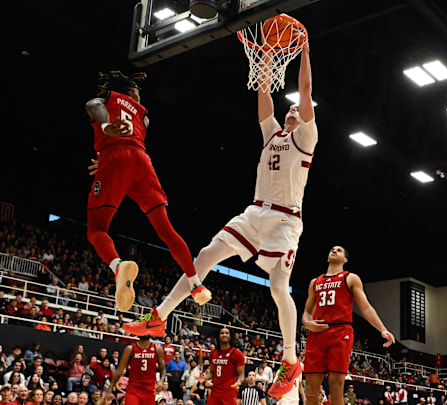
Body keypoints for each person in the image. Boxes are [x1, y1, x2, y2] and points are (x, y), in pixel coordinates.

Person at [123, 28, 316, 400]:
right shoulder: (272, 134)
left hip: (286, 221)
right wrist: (265, 58)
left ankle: (291, 360)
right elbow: (264, 95)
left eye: (297, 109)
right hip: (255, 212)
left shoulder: (306, 137)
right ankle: (159, 316)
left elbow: (305, 92)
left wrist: (304, 50)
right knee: (205, 256)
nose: (292, 108)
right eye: (289, 107)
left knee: (278, 287)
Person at [84, 70, 211, 312]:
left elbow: (92, 104)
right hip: (142, 163)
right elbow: (133, 143)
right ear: (129, 91)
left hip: (115, 158)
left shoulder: (107, 100)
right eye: (137, 92)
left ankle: (118, 267)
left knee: (97, 229)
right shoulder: (144, 116)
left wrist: (106, 127)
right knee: (166, 229)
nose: (140, 98)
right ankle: (196, 284)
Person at [303, 246, 395, 405]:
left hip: (340, 331)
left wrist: (382, 329)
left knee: (336, 386)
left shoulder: (351, 278)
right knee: (311, 386)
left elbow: (366, 307)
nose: (333, 250)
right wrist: (307, 323)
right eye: (332, 249)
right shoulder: (315, 282)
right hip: (317, 334)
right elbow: (307, 313)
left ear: (345, 259)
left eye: (338, 250)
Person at [104, 335, 166, 405]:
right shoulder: (130, 348)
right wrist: (110, 388)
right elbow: (119, 370)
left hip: (150, 389)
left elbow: (163, 369)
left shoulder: (157, 349)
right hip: (134, 388)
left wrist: (161, 380)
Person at [197, 328, 245, 405]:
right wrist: (204, 378)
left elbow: (241, 374)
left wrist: (238, 381)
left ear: (230, 336)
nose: (224, 335)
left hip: (229, 392)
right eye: (222, 333)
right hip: (215, 392)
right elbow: (212, 373)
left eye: (226, 333)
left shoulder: (236, 353)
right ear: (218, 336)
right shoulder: (213, 352)